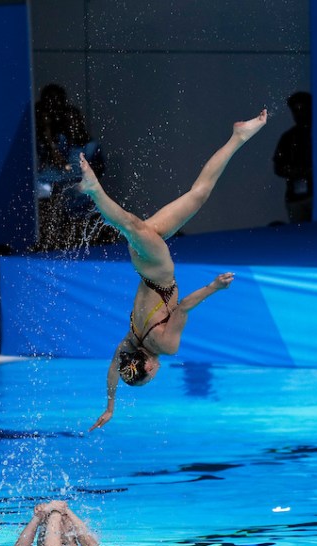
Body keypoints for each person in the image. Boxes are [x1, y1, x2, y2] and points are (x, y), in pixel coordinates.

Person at [81, 108, 269, 431]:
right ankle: (238, 136)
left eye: (148, 378)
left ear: (149, 367)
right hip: (145, 266)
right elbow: (114, 369)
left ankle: (95, 191)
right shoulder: (128, 343)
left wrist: (214, 287)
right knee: (199, 195)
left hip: (158, 269)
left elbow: (182, 308)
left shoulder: (165, 346)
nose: (153, 377)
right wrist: (110, 405)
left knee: (130, 224)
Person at [273, 92, 313, 223]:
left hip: (313, 195)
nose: (299, 113)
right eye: (296, 110)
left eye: (302, 109)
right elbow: (278, 167)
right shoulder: (288, 137)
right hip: (296, 196)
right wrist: (294, 172)